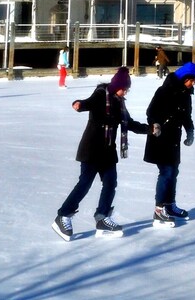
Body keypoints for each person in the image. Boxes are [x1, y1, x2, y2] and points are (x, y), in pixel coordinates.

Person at [53, 67, 148, 240]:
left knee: (111, 184)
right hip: (92, 149)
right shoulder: (100, 95)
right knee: (85, 184)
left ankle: (102, 218)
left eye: (127, 89)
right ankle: (63, 215)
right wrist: (79, 104)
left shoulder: (119, 104)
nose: (125, 91)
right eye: (124, 88)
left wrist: (149, 129)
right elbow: (88, 103)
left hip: (108, 152)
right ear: (116, 85)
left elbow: (130, 124)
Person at [145, 62, 195, 227]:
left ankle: (170, 205)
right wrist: (156, 125)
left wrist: (190, 132)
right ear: (184, 78)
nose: (194, 83)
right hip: (161, 138)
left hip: (174, 139)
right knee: (166, 172)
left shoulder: (186, 94)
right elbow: (150, 112)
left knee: (173, 171)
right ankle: (159, 210)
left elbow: (186, 117)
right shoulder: (164, 91)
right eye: (192, 80)